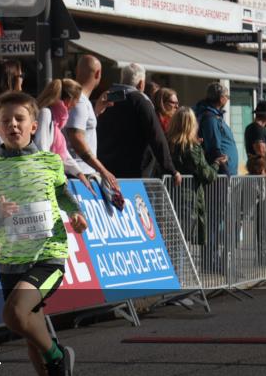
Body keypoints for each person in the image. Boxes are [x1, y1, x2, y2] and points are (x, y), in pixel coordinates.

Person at [0, 91, 88, 376]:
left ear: (33, 126)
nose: (12, 125)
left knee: (16, 316)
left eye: (19, 119)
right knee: (27, 332)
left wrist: (76, 213)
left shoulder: (50, 162)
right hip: (11, 260)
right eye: (5, 120)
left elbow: (63, 194)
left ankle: (58, 359)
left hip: (48, 253)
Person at [97, 63, 182, 185]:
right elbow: (156, 137)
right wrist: (171, 169)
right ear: (141, 83)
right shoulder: (140, 101)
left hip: (104, 169)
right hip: (132, 172)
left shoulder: (107, 97)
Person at [64, 55, 122, 195]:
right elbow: (76, 138)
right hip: (79, 175)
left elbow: (80, 129)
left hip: (80, 174)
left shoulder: (82, 101)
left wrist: (96, 111)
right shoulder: (80, 102)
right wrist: (103, 170)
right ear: (98, 74)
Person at [167, 107, 221, 252]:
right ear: (191, 124)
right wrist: (216, 164)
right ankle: (179, 275)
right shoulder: (191, 148)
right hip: (187, 199)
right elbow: (207, 175)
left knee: (172, 241)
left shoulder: (168, 144)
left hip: (168, 196)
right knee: (181, 243)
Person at [194, 82, 239, 176]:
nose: (228, 99)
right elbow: (213, 148)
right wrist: (225, 170)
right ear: (221, 98)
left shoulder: (215, 116)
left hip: (224, 173)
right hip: (221, 175)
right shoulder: (211, 118)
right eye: (227, 96)